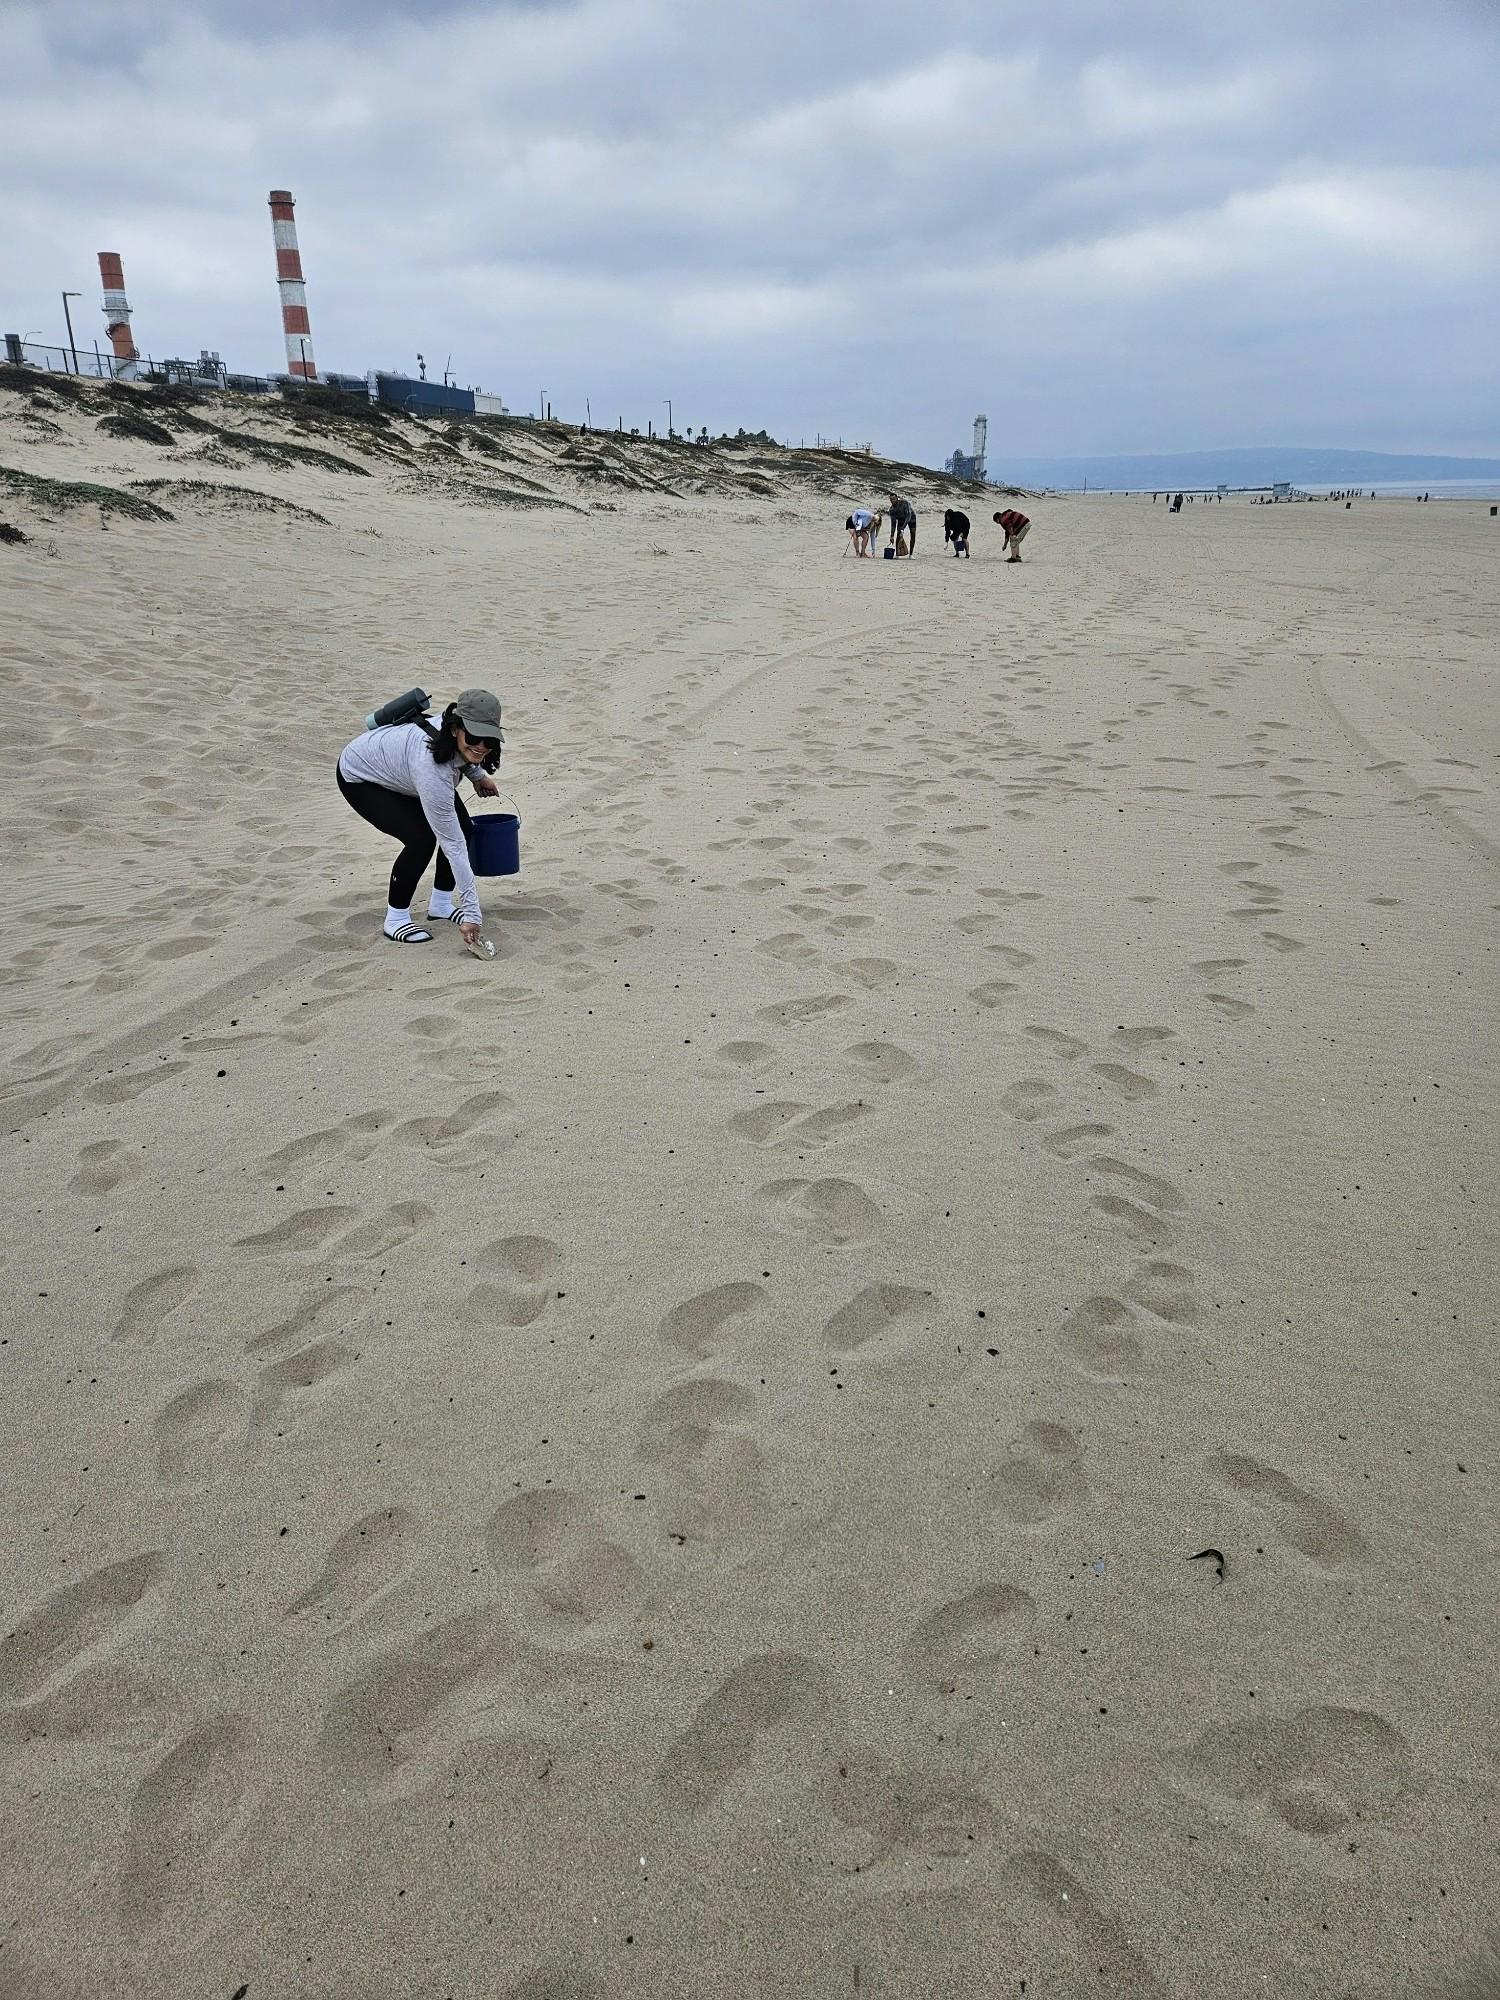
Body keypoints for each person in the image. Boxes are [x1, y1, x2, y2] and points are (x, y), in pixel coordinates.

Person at [337, 690, 504, 944]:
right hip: (362, 777)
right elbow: (454, 847)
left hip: (404, 773)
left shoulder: (453, 736)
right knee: (421, 839)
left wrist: (478, 776)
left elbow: (465, 751)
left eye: (489, 740)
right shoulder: (431, 768)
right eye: (474, 736)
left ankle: (440, 904)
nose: (481, 746)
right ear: (455, 728)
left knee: (463, 827)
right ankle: (395, 919)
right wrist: (473, 914)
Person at [887, 491, 917, 556]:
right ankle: (897, 554)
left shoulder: (904, 503)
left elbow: (908, 515)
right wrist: (892, 535)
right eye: (891, 499)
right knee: (898, 535)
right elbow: (893, 523)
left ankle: (911, 554)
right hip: (901, 519)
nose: (892, 501)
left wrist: (903, 528)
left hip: (911, 517)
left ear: (897, 498)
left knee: (913, 534)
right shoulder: (892, 510)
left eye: (894, 499)